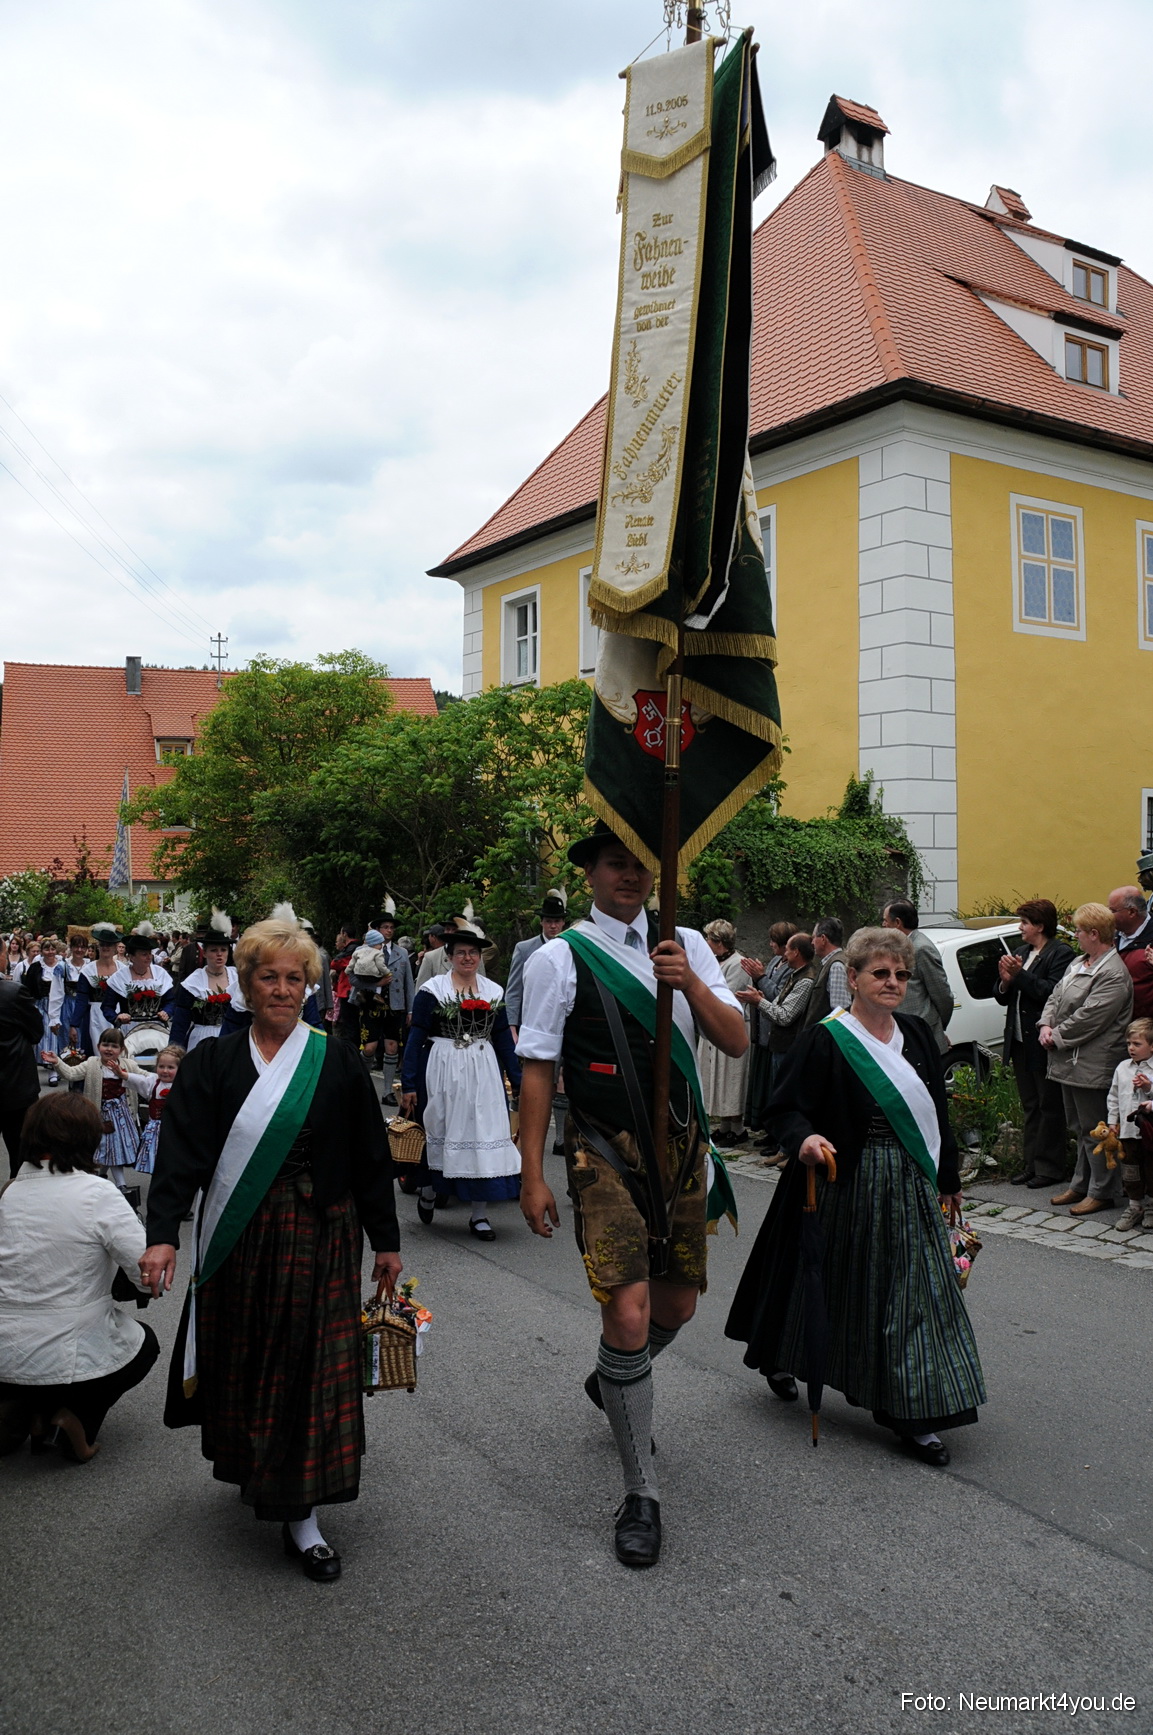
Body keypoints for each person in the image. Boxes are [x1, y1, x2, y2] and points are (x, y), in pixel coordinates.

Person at [139, 909, 401, 1583]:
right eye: (268, 977)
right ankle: (259, 1463)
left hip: (324, 1231)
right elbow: (180, 1156)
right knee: (254, 1356)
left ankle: (302, 1513)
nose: (281, 988)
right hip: (246, 1237)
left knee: (312, 1365)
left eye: (293, 977)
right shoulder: (213, 1061)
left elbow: (373, 1155)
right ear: (246, 987)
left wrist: (387, 1242)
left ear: (308, 984)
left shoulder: (336, 1056)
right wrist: (163, 1235)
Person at [515, 822, 746, 1568]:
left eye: (643, 865)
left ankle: (615, 1374)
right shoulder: (559, 956)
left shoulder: (686, 947)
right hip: (601, 1152)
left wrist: (691, 982)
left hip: (680, 1148)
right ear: (588, 874)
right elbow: (539, 1071)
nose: (632, 877)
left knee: (674, 1308)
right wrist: (530, 1171)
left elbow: (736, 1040)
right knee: (628, 1306)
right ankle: (640, 1492)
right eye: (617, 864)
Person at [726, 925, 985, 1468]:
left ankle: (911, 1411)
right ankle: (783, 1350)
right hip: (849, 1181)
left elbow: (937, 1114)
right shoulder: (827, 1038)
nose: (892, 982)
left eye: (900, 974)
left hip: (911, 1182)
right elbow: (782, 1107)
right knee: (834, 1284)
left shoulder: (916, 1032)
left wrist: (949, 1179)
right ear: (854, 978)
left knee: (916, 1290)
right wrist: (804, 1139)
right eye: (880, 973)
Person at [0, 1094, 158, 1462]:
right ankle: (72, 1420)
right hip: (68, 1347)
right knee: (143, 1344)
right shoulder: (97, 1193)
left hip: (5, 1346)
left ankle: (31, 1409)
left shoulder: (7, 1193)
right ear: (89, 1140)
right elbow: (147, 1272)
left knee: (31, 1354)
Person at [400, 927, 521, 1239]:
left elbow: (503, 1039)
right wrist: (409, 1083)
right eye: (461, 953)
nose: (468, 958)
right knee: (439, 1129)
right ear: (449, 957)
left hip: (483, 1070)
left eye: (473, 953)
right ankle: (429, 1190)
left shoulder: (493, 991)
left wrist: (518, 1079)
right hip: (443, 1068)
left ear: (480, 958)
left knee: (483, 1131)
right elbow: (415, 1039)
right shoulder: (433, 990)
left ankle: (479, 1216)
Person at [1041, 903, 1133, 1216]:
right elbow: (1055, 996)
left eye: (1079, 931)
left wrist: (1056, 1035)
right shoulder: (1080, 963)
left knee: (1097, 1129)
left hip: (1093, 1063)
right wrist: (1045, 1024)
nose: (1075, 935)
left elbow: (1091, 1017)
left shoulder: (1113, 973)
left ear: (1094, 934)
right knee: (1079, 1126)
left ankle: (1103, 1190)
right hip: (1070, 1060)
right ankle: (1081, 1184)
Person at [994, 900, 1076, 1188]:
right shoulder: (1020, 952)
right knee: (1030, 1104)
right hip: (1019, 1039)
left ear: (1040, 926)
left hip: (1042, 1041)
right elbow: (1003, 994)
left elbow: (1052, 993)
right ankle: (1031, 1163)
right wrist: (1005, 981)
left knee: (1049, 1104)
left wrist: (1019, 976)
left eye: (1025, 923)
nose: (1020, 928)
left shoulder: (1060, 953)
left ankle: (1051, 1167)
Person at [54, 1028, 151, 1196]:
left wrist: (165, 1075)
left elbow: (147, 1078)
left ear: (122, 1050)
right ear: (98, 1046)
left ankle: (110, 1180)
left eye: (114, 1046)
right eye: (105, 1045)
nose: (109, 1049)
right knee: (107, 1148)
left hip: (122, 1117)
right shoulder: (91, 1064)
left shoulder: (129, 1065)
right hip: (100, 1116)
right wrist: (56, 1062)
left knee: (113, 1149)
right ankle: (115, 1182)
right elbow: (71, 1073)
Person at [738, 921, 798, 1145]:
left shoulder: (792, 968)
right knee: (764, 1086)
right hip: (763, 1034)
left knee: (776, 1086)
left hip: (777, 1034)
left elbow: (778, 996)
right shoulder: (775, 961)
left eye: (775, 941)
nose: (771, 944)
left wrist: (761, 978)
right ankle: (767, 1129)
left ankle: (778, 1136)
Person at [699, 919, 751, 1147]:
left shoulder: (738, 964)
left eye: (708, 938)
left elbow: (728, 995)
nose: (705, 942)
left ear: (719, 942)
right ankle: (724, 1126)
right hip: (712, 1024)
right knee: (714, 1078)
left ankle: (737, 1128)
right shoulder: (713, 961)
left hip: (731, 1025)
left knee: (730, 1078)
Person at [881, 900, 953, 1054]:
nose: (883, 925)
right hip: (904, 1034)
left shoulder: (921, 948)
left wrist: (938, 1026)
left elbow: (942, 995)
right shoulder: (900, 946)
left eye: (885, 921)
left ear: (898, 923)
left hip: (921, 1036)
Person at [1108, 1019, 1153, 1233]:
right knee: (1131, 1170)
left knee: (1151, 1169)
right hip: (1127, 1133)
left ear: (1151, 1046)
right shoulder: (1122, 1068)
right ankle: (1135, 1206)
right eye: (1129, 1044)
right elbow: (1114, 1097)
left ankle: (1152, 1206)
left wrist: (1149, 1087)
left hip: (1149, 1133)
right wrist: (1112, 1122)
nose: (1131, 1048)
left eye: (1137, 1044)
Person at [169, 912, 238, 1051]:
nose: (219, 954)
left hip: (232, 1038)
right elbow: (181, 1022)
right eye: (214, 950)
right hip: (201, 1039)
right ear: (204, 953)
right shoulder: (193, 982)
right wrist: (173, 1052)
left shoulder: (237, 978)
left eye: (223, 950)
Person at [506, 890, 569, 1038]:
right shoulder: (524, 949)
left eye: (557, 921)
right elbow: (514, 991)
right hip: (532, 1022)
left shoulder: (571, 948)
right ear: (541, 921)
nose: (553, 926)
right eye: (548, 921)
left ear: (563, 922)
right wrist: (512, 1026)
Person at [0, 974, 43, 1180]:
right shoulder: (13, 992)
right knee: (21, 1158)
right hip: (15, 1087)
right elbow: (36, 1033)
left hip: (16, 1088)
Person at [374, 904, 414, 1104]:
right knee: (369, 1049)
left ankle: (387, 1091)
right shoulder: (366, 951)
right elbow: (354, 979)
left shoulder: (402, 953)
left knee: (392, 1048)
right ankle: (363, 1088)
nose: (389, 930)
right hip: (372, 1005)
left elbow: (409, 983)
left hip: (395, 1005)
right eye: (385, 927)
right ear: (378, 930)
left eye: (391, 927)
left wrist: (410, 1009)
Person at [100, 931, 174, 1034]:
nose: (149, 957)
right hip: (130, 1029)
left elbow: (170, 1001)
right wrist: (117, 1017)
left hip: (157, 1029)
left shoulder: (160, 974)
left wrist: (166, 1012)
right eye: (144, 954)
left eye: (149, 953)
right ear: (132, 957)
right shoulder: (120, 977)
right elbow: (107, 1006)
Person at [132, 1045, 185, 1177]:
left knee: (173, 1162)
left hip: (174, 1131)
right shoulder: (154, 1083)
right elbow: (138, 1081)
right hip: (156, 1131)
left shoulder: (183, 1086)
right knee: (155, 1160)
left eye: (170, 1067)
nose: (165, 1071)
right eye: (161, 1066)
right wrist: (122, 1074)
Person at [23, 936, 63, 1084]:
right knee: (46, 1036)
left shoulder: (62, 965)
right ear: (42, 951)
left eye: (52, 949)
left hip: (59, 1003)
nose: (50, 952)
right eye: (47, 949)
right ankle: (50, 1068)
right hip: (41, 1004)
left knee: (58, 1036)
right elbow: (28, 987)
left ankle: (58, 1068)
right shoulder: (36, 967)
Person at [1109, 887, 1153, 1018]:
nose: (1108, 915)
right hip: (1115, 1021)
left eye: (1112, 911)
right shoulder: (1111, 936)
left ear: (1132, 912)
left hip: (1144, 1028)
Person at [803, 917, 851, 1027]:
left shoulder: (837, 966)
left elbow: (840, 1013)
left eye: (814, 937)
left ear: (823, 939)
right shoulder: (831, 962)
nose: (812, 942)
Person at [83, 923, 123, 1050]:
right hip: (95, 1014)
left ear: (115, 947)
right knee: (97, 1047)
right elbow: (81, 998)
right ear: (98, 947)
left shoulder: (123, 969)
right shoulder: (87, 970)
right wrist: (75, 1024)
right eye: (102, 944)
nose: (106, 947)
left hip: (118, 1012)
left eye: (109, 945)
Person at [57, 928, 93, 1055]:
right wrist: (54, 1017)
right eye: (76, 947)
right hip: (67, 1005)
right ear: (71, 948)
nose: (79, 950)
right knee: (67, 1037)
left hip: (85, 1007)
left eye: (83, 947)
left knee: (85, 1037)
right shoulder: (63, 967)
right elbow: (56, 993)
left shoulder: (91, 966)